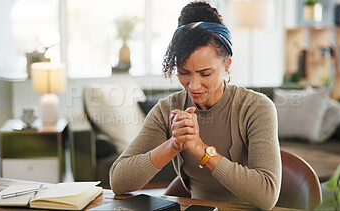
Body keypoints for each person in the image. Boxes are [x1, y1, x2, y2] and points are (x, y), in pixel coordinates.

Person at [109, 2, 281, 210]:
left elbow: (267, 195)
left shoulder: (256, 108)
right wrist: (173, 144)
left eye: (205, 73)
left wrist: (200, 149)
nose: (193, 85)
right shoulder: (167, 109)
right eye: (183, 72)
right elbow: (118, 181)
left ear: (227, 63)